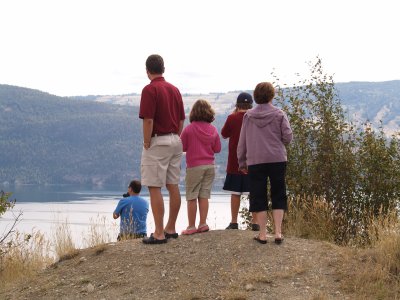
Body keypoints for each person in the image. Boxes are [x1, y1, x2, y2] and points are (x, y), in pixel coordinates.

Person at [237, 82, 293, 244]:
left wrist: (242, 162)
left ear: (256, 96)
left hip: (256, 161)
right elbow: (288, 138)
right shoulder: (279, 114)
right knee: (278, 194)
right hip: (277, 159)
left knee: (258, 196)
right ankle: (277, 233)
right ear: (271, 95)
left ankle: (262, 234)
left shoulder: (248, 116)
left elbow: (242, 142)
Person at [139, 54, 185, 244]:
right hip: (175, 140)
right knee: (173, 184)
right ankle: (171, 228)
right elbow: (182, 119)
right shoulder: (174, 90)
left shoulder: (150, 90)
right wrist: (176, 136)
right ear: (163, 69)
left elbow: (148, 119)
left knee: (154, 186)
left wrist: (147, 142)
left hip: (158, 141)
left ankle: (158, 233)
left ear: (147, 70)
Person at [180, 99, 221, 235]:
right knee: (204, 195)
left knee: (192, 196)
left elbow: (182, 147)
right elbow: (218, 148)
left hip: (194, 167)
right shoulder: (213, 129)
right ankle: (203, 224)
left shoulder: (189, 129)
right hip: (209, 166)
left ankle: (191, 226)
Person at [221, 92, 259, 231]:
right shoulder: (255, 118)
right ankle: (255, 222)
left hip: (235, 162)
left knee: (235, 193)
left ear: (237, 104)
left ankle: (234, 222)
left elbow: (224, 134)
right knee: (254, 192)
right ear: (250, 104)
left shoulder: (232, 118)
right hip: (253, 161)